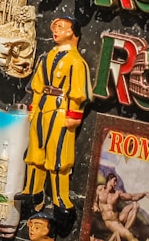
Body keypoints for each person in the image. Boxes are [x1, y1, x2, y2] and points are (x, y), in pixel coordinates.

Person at [20, 17, 90, 235]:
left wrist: (74, 114)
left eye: (61, 27)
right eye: (55, 27)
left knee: (58, 157)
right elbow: (38, 85)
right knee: (35, 153)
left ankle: (62, 200)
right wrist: (33, 109)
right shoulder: (48, 56)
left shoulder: (76, 61)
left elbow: (78, 92)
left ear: (73, 32)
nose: (56, 31)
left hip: (60, 110)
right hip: (43, 108)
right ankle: (33, 191)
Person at [94, 173, 149, 241]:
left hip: (118, 218)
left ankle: (123, 231)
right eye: (114, 181)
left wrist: (144, 194)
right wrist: (95, 206)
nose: (115, 184)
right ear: (109, 179)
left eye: (116, 182)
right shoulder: (100, 189)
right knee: (128, 235)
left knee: (135, 205)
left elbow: (132, 197)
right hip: (110, 222)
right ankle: (124, 232)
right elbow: (95, 201)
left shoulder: (117, 194)